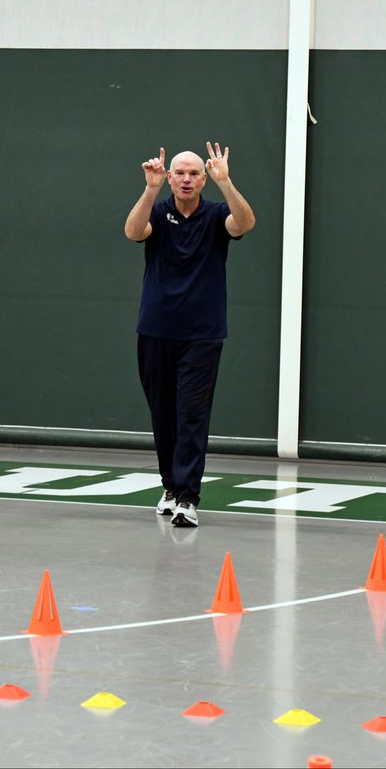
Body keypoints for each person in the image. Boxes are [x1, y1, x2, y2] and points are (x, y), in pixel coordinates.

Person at [123, 142, 256, 528]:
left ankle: (187, 497)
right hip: (155, 330)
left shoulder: (216, 215)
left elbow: (245, 223)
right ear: (169, 178)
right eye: (179, 172)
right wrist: (149, 189)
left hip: (203, 333)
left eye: (194, 173)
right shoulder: (158, 211)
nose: (186, 178)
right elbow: (133, 232)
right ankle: (169, 486)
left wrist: (227, 183)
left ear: (203, 180)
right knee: (163, 414)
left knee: (192, 415)